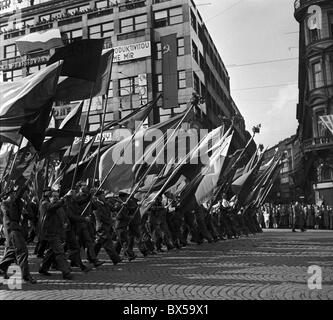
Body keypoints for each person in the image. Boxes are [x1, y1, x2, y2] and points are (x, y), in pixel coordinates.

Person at [0, 183, 37, 284]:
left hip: (20, 231)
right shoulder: (5, 204)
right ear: (11, 194)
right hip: (12, 230)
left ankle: (2, 269)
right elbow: (9, 215)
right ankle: (26, 276)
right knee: (22, 251)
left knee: (11, 253)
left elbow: (31, 216)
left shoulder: (22, 203)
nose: (26, 194)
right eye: (25, 192)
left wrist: (26, 209)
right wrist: (25, 185)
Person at [38, 190, 73, 280]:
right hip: (50, 232)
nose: (56, 197)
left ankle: (43, 268)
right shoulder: (45, 204)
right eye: (53, 196)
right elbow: (51, 208)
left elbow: (64, 217)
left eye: (57, 196)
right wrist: (64, 198)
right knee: (60, 252)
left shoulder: (59, 206)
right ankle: (66, 272)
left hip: (58, 232)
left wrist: (65, 223)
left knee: (51, 251)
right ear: (49, 198)